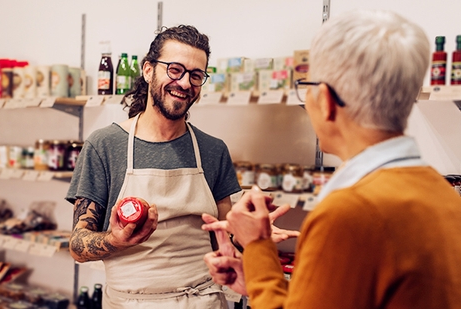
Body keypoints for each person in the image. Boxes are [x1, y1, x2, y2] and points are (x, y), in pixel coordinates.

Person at [202, 9, 461, 309]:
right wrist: (259, 280)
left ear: (325, 101)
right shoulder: (443, 195)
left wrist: (257, 246)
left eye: (307, 87)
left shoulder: (349, 213)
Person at [66, 25, 242, 309]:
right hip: (129, 303)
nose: (185, 83)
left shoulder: (213, 150)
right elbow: (77, 246)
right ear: (148, 70)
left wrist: (252, 236)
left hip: (203, 301)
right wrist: (114, 240)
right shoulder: (105, 145)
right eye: (174, 69)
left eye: (196, 75)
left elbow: (226, 238)